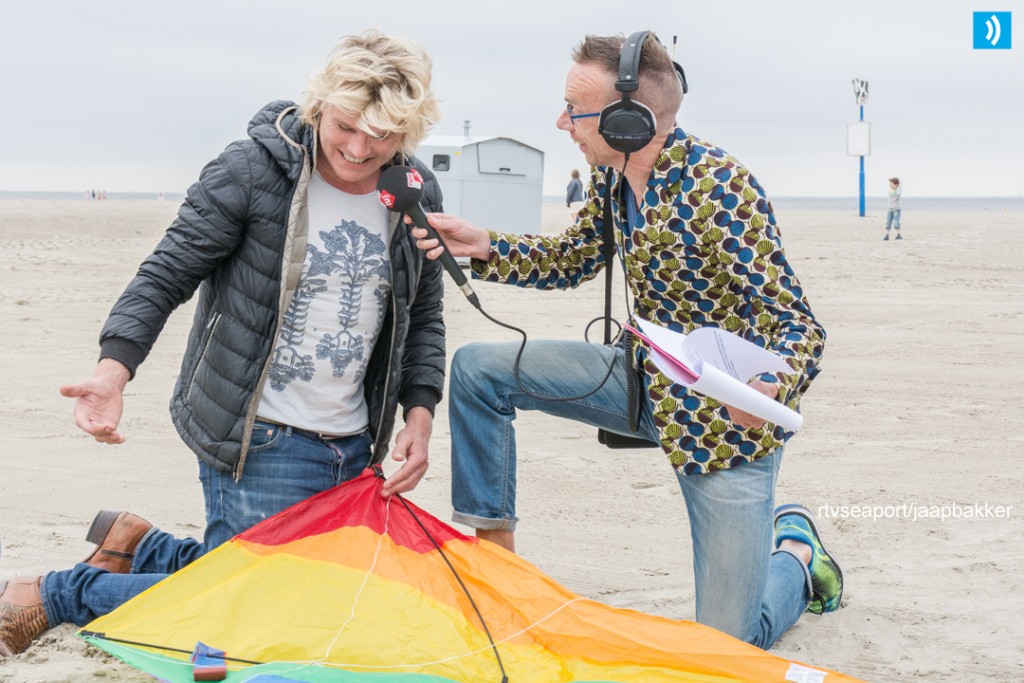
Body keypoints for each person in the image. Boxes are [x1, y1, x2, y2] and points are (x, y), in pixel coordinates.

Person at [0, 30, 446, 657]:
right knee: (254, 610)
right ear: (320, 106)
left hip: (354, 439)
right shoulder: (252, 170)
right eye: (346, 125)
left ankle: (144, 546)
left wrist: (420, 416)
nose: (358, 147)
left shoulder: (412, 190)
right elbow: (167, 271)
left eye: (383, 136)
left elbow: (424, 315)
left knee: (315, 595)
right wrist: (113, 369)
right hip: (258, 433)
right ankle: (55, 592)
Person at [411, 31, 840, 650]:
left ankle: (797, 554)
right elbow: (574, 258)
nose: (561, 122)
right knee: (479, 369)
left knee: (730, 646)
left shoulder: (719, 185)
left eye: (573, 111)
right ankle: (496, 569)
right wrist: (484, 245)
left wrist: (770, 386)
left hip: (724, 426)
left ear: (630, 120)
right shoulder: (614, 181)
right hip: (637, 380)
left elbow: (796, 321)